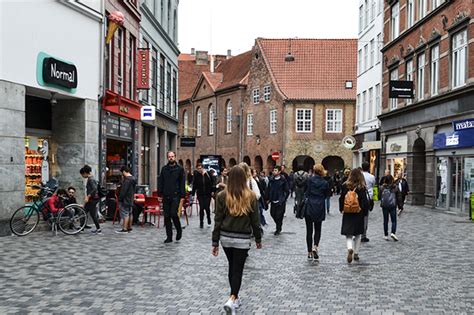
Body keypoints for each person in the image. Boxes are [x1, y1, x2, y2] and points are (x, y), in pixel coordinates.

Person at [211, 166, 262, 314]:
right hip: (242, 239)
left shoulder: (222, 196)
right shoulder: (250, 196)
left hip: (226, 238)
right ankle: (232, 298)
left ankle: (235, 297)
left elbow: (218, 220)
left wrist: (215, 242)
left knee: (232, 266)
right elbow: (255, 221)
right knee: (237, 269)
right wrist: (258, 239)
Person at [339, 168, 370, 263]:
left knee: (348, 234)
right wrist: (365, 212)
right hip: (358, 212)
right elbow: (364, 202)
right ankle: (356, 253)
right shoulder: (362, 187)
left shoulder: (345, 186)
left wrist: (341, 209)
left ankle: (349, 248)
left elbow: (341, 198)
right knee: (358, 234)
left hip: (348, 212)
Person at [158, 151, 185, 243]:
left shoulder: (180, 169)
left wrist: (182, 195)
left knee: (173, 213)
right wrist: (159, 194)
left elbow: (182, 182)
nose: (171, 158)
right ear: (167, 158)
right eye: (169, 156)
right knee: (167, 216)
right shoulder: (164, 169)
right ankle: (169, 237)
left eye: (172, 156)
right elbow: (160, 181)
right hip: (166, 195)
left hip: (175, 195)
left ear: (175, 157)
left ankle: (179, 230)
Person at [304, 164, 329, 260]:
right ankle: (315, 246)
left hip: (309, 206)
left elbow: (306, 192)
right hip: (319, 207)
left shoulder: (310, 180)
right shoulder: (325, 183)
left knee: (309, 230)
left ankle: (309, 251)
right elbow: (327, 195)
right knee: (318, 229)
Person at [266, 165, 289, 235]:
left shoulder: (283, 180)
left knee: (279, 215)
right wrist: (268, 198)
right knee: (272, 214)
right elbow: (268, 189)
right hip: (273, 199)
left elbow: (287, 190)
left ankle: (278, 228)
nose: (274, 172)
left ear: (279, 172)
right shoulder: (271, 179)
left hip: (280, 201)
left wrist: (283, 198)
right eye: (274, 170)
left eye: (276, 170)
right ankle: (278, 225)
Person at [80, 165, 101, 234]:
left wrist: (88, 196)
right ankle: (82, 227)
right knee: (84, 212)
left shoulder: (91, 179)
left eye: (82, 174)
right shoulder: (91, 178)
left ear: (85, 173)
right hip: (92, 199)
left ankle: (98, 229)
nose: (82, 176)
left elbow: (94, 189)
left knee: (90, 213)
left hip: (92, 200)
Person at [192, 163, 214, 228]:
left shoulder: (208, 174)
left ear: (202, 168)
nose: (199, 170)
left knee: (207, 207)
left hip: (208, 194)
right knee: (201, 207)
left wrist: (212, 191)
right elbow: (194, 185)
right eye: (198, 169)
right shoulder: (196, 175)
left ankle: (208, 217)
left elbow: (213, 182)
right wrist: (193, 194)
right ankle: (201, 222)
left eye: (200, 168)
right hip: (200, 194)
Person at [116, 166, 136, 234]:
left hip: (125, 199)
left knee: (125, 214)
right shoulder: (133, 178)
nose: (122, 174)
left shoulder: (127, 180)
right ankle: (129, 227)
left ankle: (124, 229)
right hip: (130, 198)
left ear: (124, 171)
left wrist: (120, 199)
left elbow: (123, 191)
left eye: (122, 173)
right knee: (130, 213)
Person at [381, 175, 399, 241]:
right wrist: (400, 206)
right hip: (392, 205)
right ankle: (393, 233)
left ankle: (385, 235)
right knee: (393, 220)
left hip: (385, 205)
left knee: (385, 220)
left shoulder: (382, 187)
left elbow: (380, 196)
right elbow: (399, 197)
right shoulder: (395, 187)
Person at [361, 162, 376, 243]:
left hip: (359, 198)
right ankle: (364, 235)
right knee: (365, 217)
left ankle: (357, 233)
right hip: (368, 198)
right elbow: (373, 185)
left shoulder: (359, 176)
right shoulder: (371, 177)